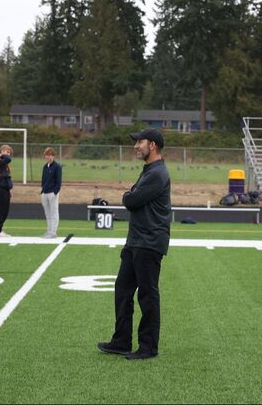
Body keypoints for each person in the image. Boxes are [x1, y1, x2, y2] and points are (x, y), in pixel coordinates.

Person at [98, 128, 171, 360]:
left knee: (147, 295)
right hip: (136, 240)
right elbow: (132, 197)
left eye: (140, 142)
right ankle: (121, 341)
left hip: (149, 242)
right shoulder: (149, 170)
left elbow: (132, 200)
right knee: (122, 289)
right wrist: (130, 195)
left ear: (153, 145)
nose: (135, 145)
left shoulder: (157, 173)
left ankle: (148, 347)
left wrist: (129, 195)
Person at [0, 144, 14, 237]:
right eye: (5, 151)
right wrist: (1, 155)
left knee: (6, 210)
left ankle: (0, 230)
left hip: (6, 189)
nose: (7, 153)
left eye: (8, 152)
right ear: (1, 152)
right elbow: (8, 159)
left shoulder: (4, 161)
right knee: (0, 210)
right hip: (0, 188)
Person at [41, 147, 62, 238]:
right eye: (46, 155)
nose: (48, 157)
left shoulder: (57, 167)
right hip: (44, 193)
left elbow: (59, 181)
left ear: (53, 156)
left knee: (54, 213)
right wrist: (42, 191)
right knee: (47, 213)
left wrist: (55, 192)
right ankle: (49, 231)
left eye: (50, 155)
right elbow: (43, 180)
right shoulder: (45, 167)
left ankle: (53, 232)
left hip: (52, 193)